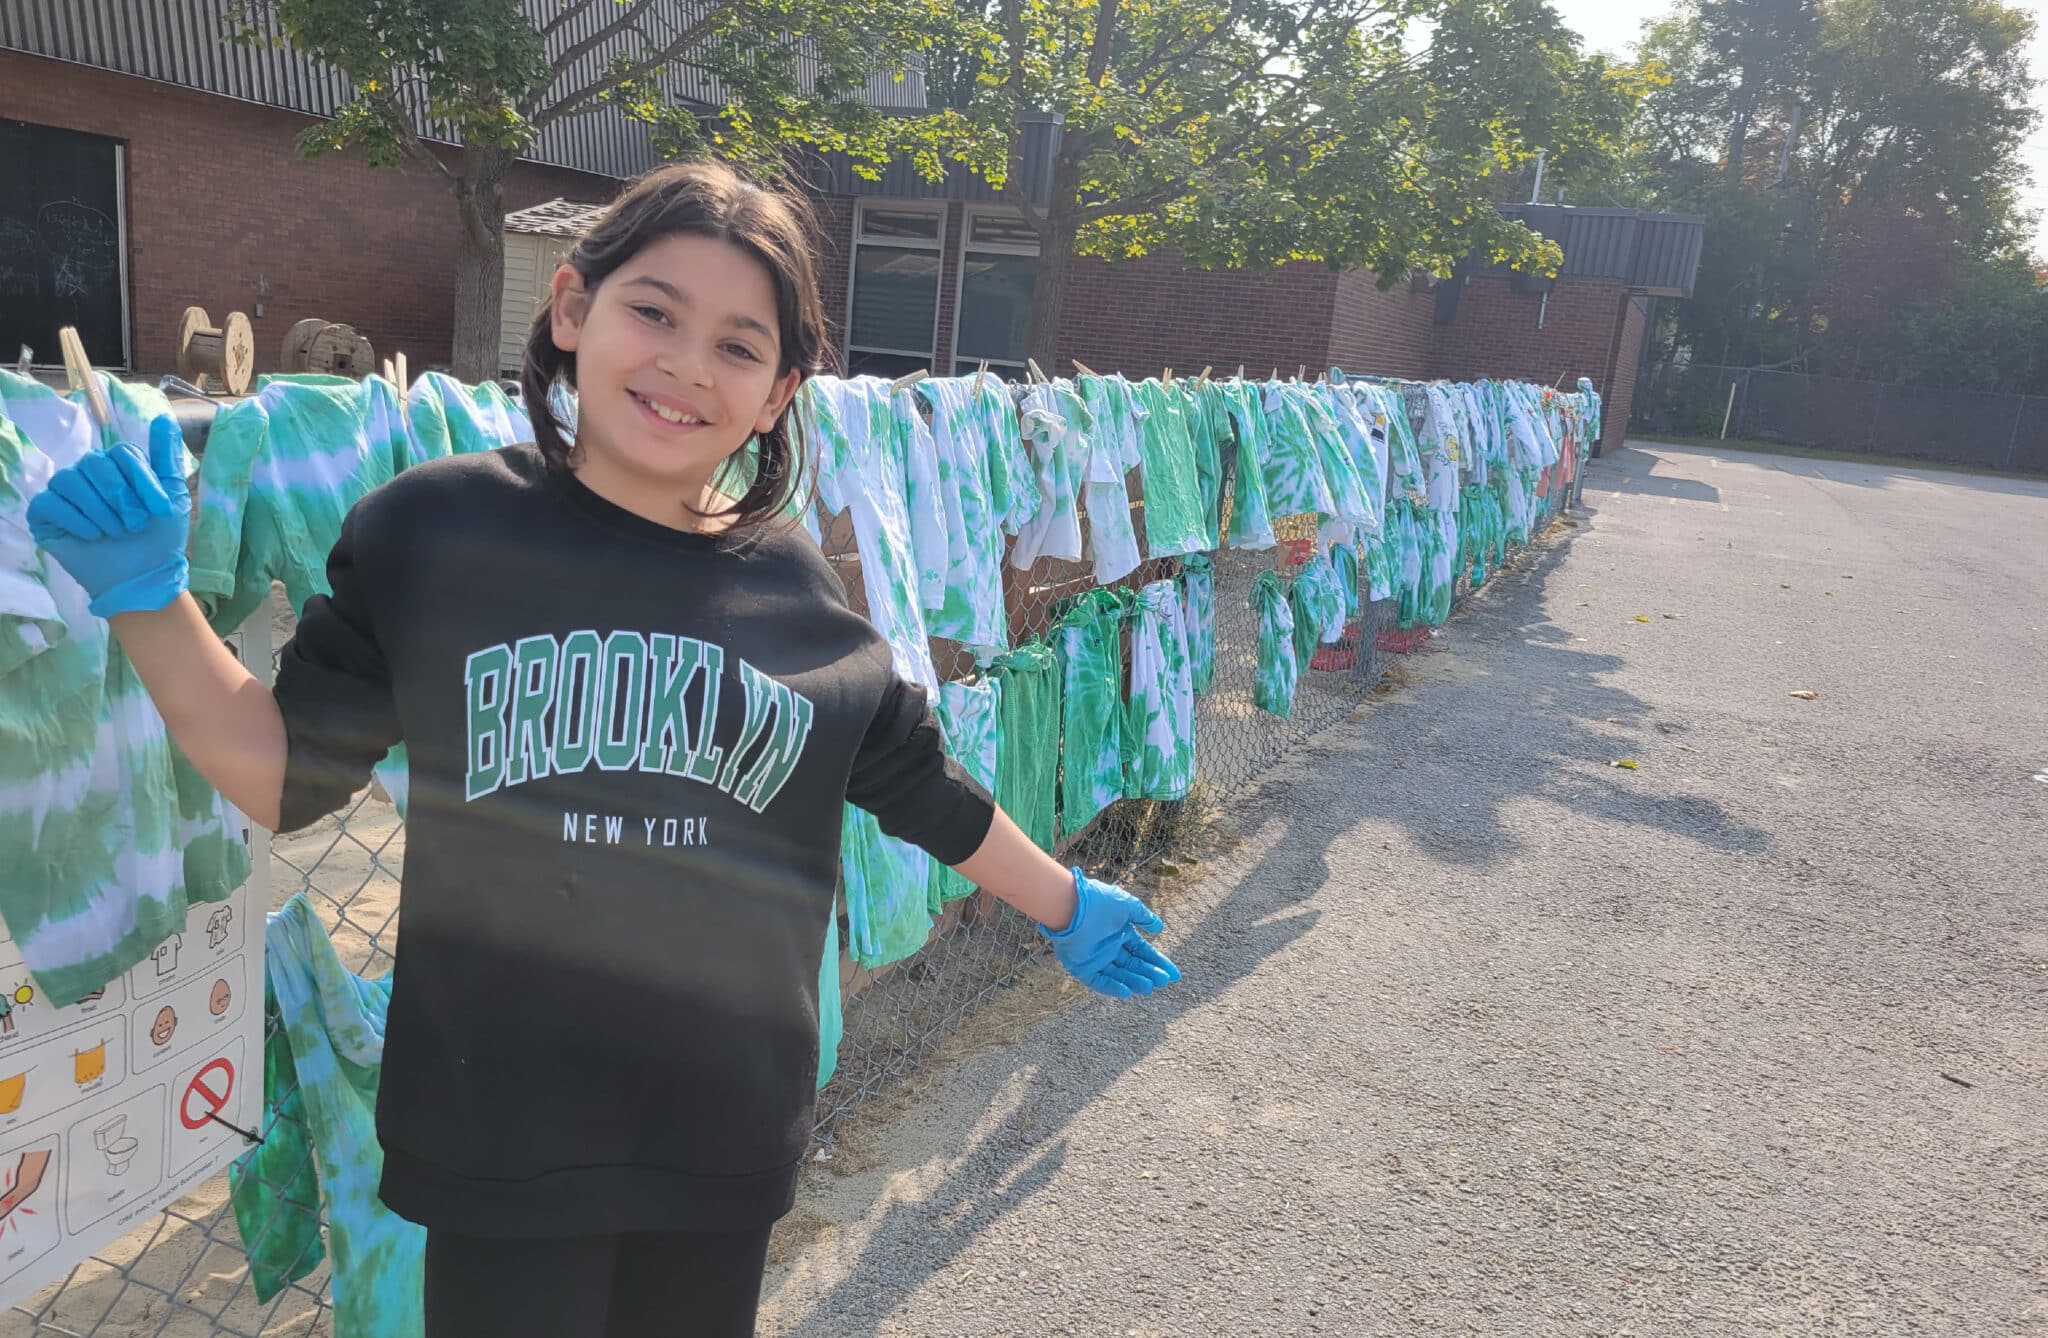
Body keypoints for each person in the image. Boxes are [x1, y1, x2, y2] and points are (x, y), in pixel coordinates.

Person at [25, 160, 1181, 1337]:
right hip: (501, 1134)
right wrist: (150, 601)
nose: (685, 365)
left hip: (718, 1133)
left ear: (780, 392)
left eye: (738, 346)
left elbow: (911, 782)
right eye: (654, 312)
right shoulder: (435, 527)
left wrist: (1064, 901)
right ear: (572, 309)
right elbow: (284, 776)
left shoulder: (789, 577)